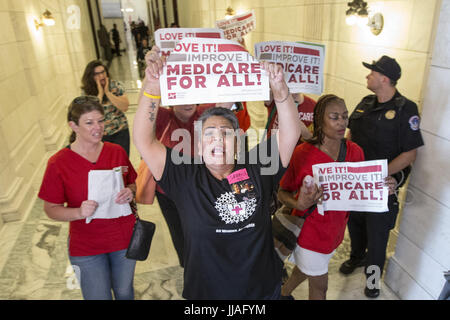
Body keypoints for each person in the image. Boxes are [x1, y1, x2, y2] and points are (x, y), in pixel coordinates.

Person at [133, 47, 301, 299]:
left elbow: (290, 133)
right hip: (207, 292)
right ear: (199, 144)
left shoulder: (258, 167)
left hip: (260, 289)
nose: (218, 140)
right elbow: (144, 140)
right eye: (209, 134)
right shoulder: (184, 175)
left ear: (238, 140)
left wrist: (280, 90)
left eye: (225, 133)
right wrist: (152, 87)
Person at [339, 55, 425, 298]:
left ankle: (373, 280)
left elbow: (409, 154)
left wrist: (376, 175)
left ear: (384, 78)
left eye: (372, 73)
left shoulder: (406, 109)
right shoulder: (366, 102)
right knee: (354, 223)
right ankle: (356, 257)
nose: (367, 76)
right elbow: (350, 136)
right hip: (356, 181)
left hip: (381, 184)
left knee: (377, 235)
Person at [38, 96, 137, 300]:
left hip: (123, 239)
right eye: (89, 122)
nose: (98, 127)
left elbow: (132, 182)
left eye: (100, 120)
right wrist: (78, 212)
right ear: (73, 126)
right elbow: (51, 208)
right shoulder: (58, 163)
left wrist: (130, 191)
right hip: (86, 246)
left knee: (125, 293)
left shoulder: (116, 151)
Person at [277, 95, 363, 299]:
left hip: (335, 231)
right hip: (310, 232)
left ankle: (282, 292)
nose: (342, 122)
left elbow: (361, 188)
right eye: (335, 117)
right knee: (319, 287)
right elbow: (282, 192)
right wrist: (298, 202)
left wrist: (382, 186)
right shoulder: (302, 153)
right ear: (319, 120)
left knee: (307, 269)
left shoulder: (355, 151)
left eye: (345, 116)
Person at [81, 60, 131, 156]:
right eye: (97, 74)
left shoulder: (115, 85)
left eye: (103, 72)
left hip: (120, 131)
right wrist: (100, 94)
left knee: (122, 162)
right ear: (91, 76)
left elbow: (125, 106)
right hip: (98, 135)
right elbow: (90, 114)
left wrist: (108, 92)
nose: (101, 76)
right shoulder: (86, 92)